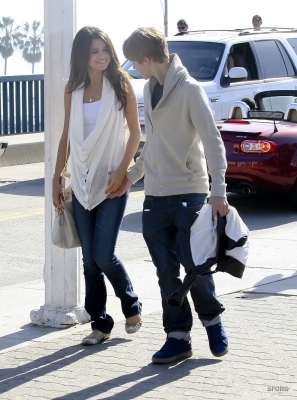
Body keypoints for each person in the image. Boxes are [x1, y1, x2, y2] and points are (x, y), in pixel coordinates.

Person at [109, 27, 230, 364]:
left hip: (188, 194)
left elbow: (212, 141)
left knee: (196, 268)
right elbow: (155, 144)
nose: (135, 67)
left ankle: (212, 320)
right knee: (166, 274)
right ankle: (178, 338)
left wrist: (218, 189)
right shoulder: (151, 88)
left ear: (147, 58)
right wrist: (129, 177)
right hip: (155, 198)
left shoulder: (190, 90)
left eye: (136, 61)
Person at [52, 26, 142, 346]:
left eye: (105, 49)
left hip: (112, 181)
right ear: (83, 56)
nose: (102, 55)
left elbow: (135, 132)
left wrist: (123, 170)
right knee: (89, 260)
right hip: (81, 181)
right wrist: (56, 177)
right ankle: (100, 323)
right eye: (94, 51)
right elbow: (66, 136)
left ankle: (131, 305)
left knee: (104, 255)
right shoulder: (72, 89)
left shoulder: (120, 82)